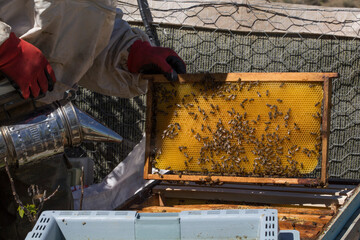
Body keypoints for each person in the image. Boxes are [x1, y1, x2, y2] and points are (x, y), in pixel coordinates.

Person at [0, 1, 186, 239]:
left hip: (32, 123)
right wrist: (6, 48)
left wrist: (130, 53)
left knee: (43, 222)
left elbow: (80, 21)